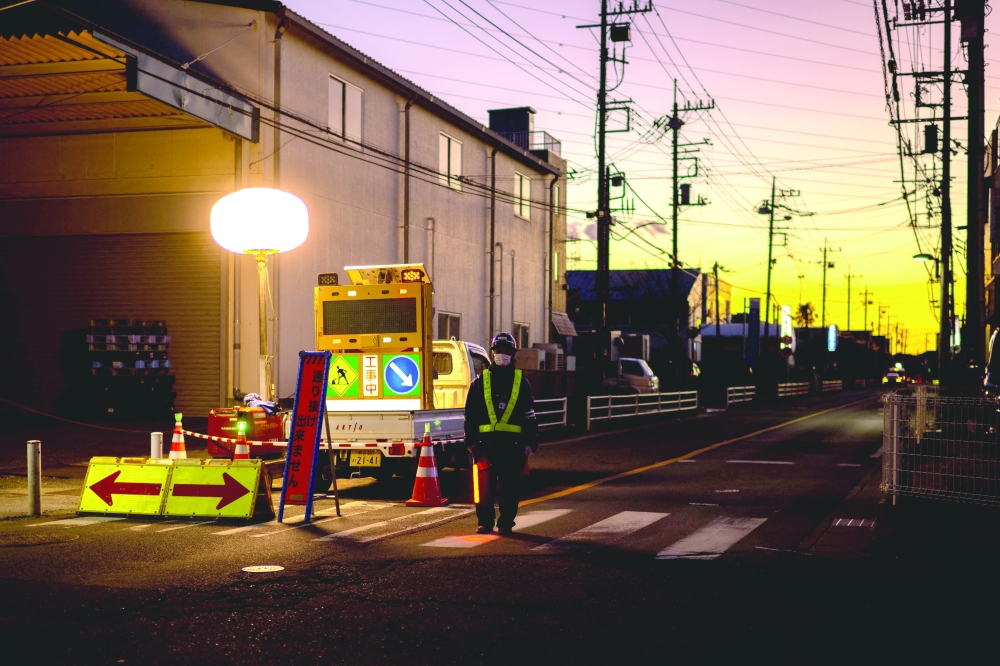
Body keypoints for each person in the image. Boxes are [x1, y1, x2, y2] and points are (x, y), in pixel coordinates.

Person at [464, 332, 538, 535]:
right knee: (483, 490)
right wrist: (471, 442)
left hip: (512, 446)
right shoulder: (479, 382)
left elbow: (529, 416)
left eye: (506, 351)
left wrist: (530, 442)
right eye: (499, 351)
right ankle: (484, 523)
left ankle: (506, 523)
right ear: (493, 352)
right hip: (484, 446)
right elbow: (470, 414)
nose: (502, 355)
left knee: (510, 489)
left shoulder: (521, 382)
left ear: (512, 354)